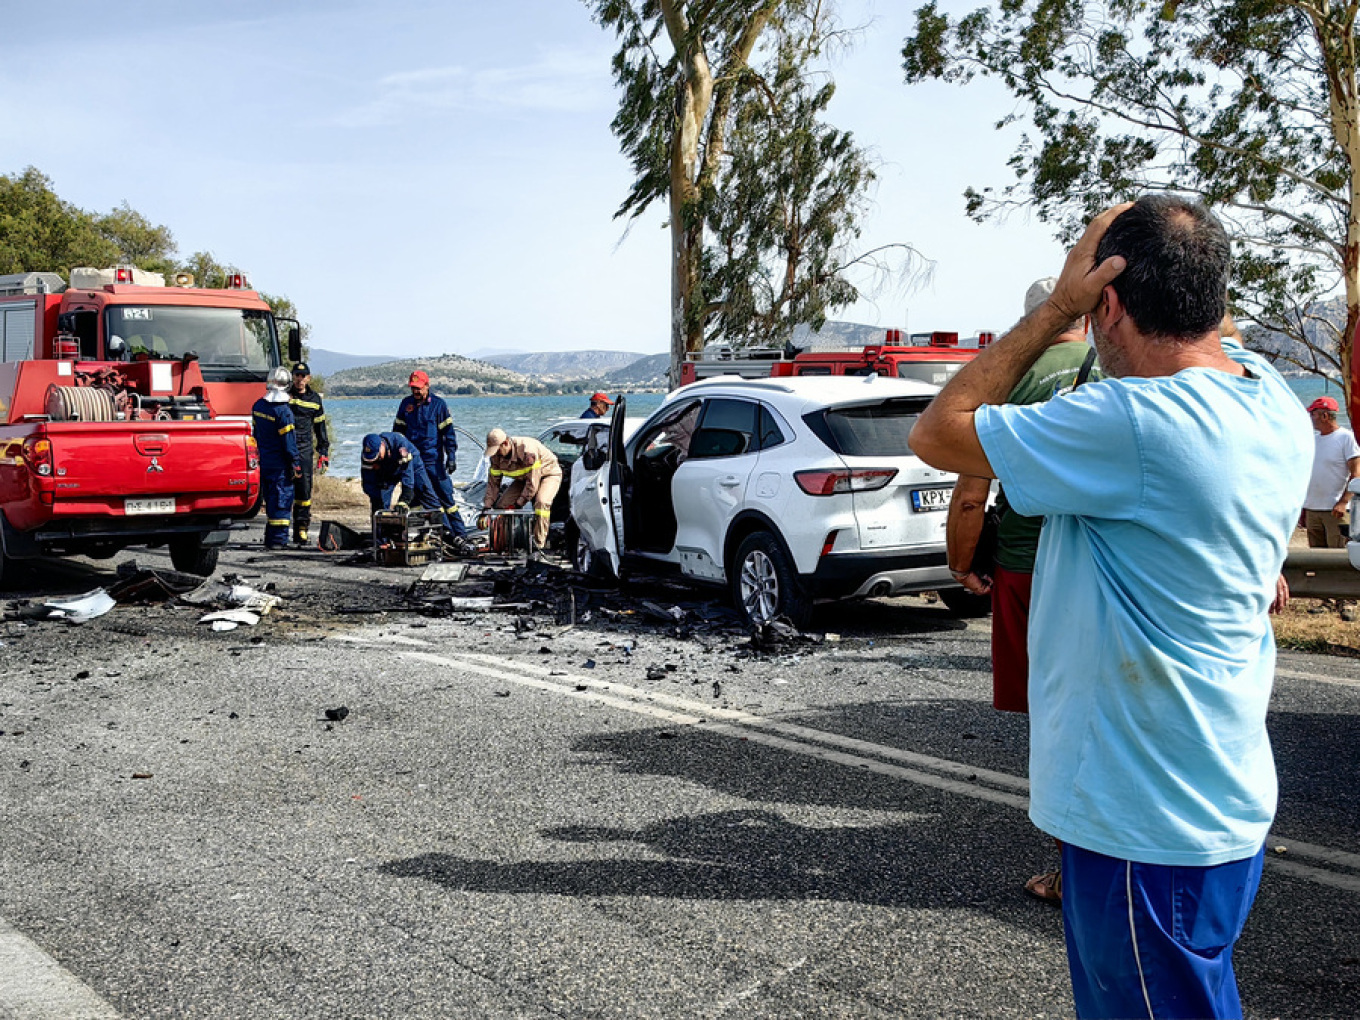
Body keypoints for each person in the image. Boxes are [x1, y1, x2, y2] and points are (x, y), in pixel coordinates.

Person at [910, 196, 1312, 1019]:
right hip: (1214, 797)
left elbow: (938, 430)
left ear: (1111, 304)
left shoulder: (1134, 421)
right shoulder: (1269, 398)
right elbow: (1212, 329)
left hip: (1143, 822)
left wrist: (1059, 304)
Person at [944, 276, 1098, 905]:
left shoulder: (1013, 384)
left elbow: (972, 493)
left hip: (1027, 567)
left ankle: (1072, 868)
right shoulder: (1121, 372)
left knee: (1054, 719)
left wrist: (961, 562)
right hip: (1103, 565)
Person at [393, 370, 469, 543]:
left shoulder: (438, 405)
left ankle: (460, 535)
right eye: (413, 388)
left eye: (419, 388)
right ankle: (431, 534)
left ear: (427, 386)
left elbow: (448, 433)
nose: (416, 392)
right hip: (413, 462)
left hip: (433, 461)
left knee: (446, 498)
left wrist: (451, 456)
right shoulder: (406, 405)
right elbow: (398, 433)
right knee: (420, 500)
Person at [360, 432, 467, 551]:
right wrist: (377, 499)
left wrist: (403, 501)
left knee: (429, 498)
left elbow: (408, 480)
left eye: (378, 457)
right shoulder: (368, 456)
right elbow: (368, 483)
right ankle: (381, 543)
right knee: (378, 508)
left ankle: (448, 535)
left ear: (382, 446)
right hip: (387, 472)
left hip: (412, 466)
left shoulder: (401, 447)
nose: (376, 460)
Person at [479, 428, 563, 559]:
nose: (497, 455)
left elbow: (532, 484)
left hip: (548, 474)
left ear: (506, 443)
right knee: (502, 506)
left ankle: (538, 545)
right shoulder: (495, 458)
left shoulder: (527, 451)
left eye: (498, 450)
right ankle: (507, 543)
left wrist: (518, 504)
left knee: (542, 503)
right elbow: (493, 485)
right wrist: (486, 508)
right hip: (523, 479)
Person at [251, 367, 301, 551]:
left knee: (271, 499)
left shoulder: (258, 406)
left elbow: (256, 434)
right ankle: (278, 540)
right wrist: (295, 462)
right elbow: (289, 443)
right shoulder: (284, 412)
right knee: (282, 500)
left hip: (263, 460)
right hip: (280, 463)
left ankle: (269, 537)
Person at [1301, 395, 1360, 550]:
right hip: (1313, 509)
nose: (1311, 418)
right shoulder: (1314, 440)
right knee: (1317, 557)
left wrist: (1343, 502)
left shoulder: (1345, 438)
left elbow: (1356, 474)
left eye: (1313, 414)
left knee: (1337, 554)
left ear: (1325, 415)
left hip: (1335, 511)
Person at [287, 362, 330, 547]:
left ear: (308, 378)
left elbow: (320, 427)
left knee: (303, 490)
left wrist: (323, 451)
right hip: (285, 447)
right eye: (297, 375)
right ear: (293, 377)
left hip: (304, 449)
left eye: (303, 375)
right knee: (282, 489)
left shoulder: (314, 399)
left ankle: (301, 529)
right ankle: (278, 531)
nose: (300, 378)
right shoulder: (284, 395)